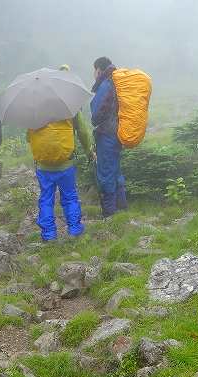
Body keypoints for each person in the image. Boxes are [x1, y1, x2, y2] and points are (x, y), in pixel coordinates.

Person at [26, 65, 95, 241]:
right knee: (70, 196)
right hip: (65, 162)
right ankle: (74, 230)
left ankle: (49, 235)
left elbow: (29, 137)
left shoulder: (35, 107)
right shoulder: (69, 105)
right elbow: (83, 132)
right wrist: (89, 152)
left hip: (43, 165)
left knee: (46, 198)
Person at [90, 56, 127, 218]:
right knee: (116, 171)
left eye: (94, 70)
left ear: (99, 69)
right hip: (118, 132)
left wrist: (93, 120)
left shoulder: (106, 84)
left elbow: (97, 113)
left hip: (107, 134)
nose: (94, 74)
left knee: (105, 173)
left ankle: (110, 215)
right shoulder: (117, 82)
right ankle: (122, 210)